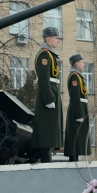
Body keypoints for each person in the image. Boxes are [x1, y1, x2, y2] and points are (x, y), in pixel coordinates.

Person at [29, 27, 63, 163]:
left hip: (53, 92)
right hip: (47, 95)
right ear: (49, 39)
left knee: (50, 127)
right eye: (56, 38)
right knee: (46, 128)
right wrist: (49, 98)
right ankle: (45, 158)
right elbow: (43, 80)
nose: (58, 41)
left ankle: (46, 156)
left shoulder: (50, 54)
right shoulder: (45, 55)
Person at [64, 53, 91, 162]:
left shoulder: (78, 76)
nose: (84, 64)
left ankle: (76, 159)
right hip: (77, 109)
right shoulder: (74, 76)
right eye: (82, 62)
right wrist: (79, 114)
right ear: (76, 63)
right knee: (75, 137)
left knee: (79, 137)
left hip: (81, 107)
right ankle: (73, 160)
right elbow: (75, 96)